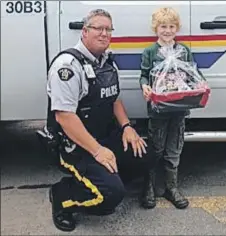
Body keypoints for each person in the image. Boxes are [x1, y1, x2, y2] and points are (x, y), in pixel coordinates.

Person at [44, 9, 154, 232]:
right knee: (110, 197)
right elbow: (64, 117)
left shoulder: (106, 62)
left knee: (146, 154)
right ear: (84, 32)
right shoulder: (68, 66)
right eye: (98, 28)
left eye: (108, 29)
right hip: (76, 146)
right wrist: (98, 151)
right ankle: (62, 196)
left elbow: (114, 99)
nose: (104, 33)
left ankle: (106, 178)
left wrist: (126, 127)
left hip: (104, 136)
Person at [139, 7, 194, 210]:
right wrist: (144, 86)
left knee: (174, 148)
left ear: (177, 28)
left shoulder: (184, 51)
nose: (167, 30)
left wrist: (200, 86)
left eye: (171, 26)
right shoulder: (150, 52)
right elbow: (144, 74)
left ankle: (171, 187)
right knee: (155, 147)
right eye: (163, 26)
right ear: (156, 28)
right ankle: (149, 187)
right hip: (158, 108)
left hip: (179, 109)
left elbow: (192, 73)